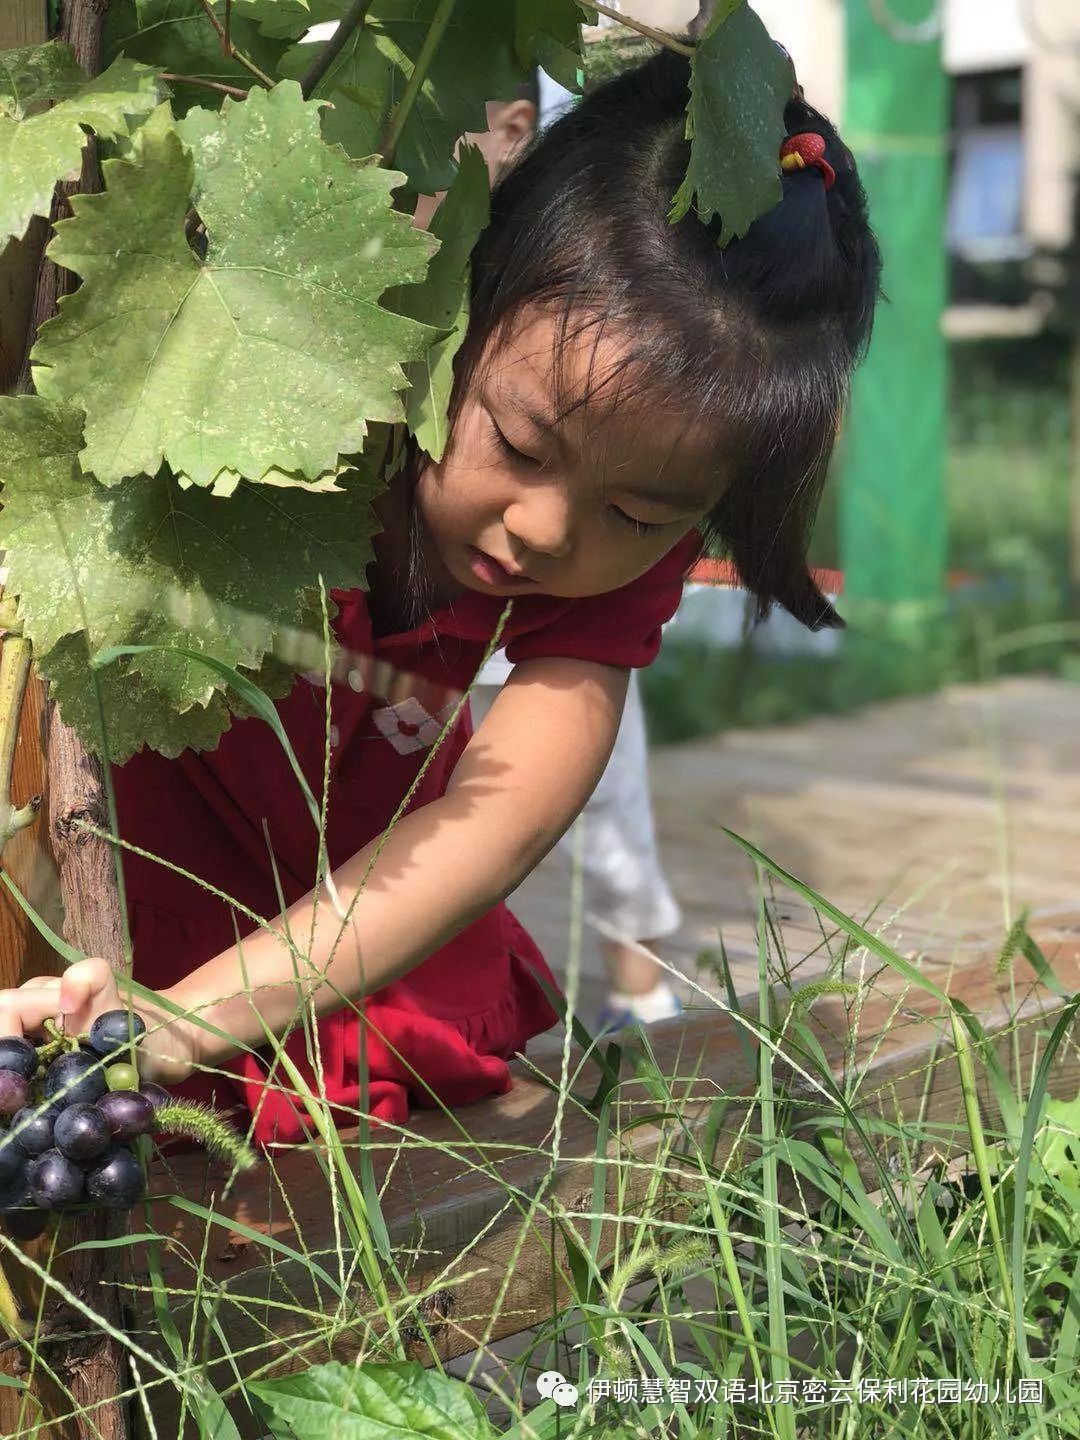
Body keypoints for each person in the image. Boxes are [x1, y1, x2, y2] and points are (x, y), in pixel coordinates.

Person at [0, 46, 882, 1146]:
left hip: (346, 908)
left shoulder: (621, 541)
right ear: (456, 303)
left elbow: (500, 817)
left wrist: (178, 1025)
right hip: (111, 844)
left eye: (642, 517)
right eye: (520, 443)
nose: (549, 528)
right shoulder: (302, 371)